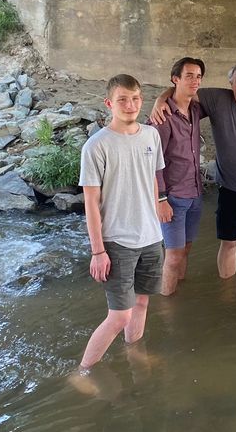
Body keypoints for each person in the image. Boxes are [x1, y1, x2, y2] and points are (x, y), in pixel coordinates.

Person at [150, 63, 236, 279]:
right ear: (231, 84)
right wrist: (160, 100)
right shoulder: (217, 100)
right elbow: (183, 91)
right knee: (229, 243)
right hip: (232, 189)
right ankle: (227, 291)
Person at [75, 74, 165, 378]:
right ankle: (83, 372)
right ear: (109, 104)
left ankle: (134, 354)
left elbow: (152, 180)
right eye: (123, 99)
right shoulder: (96, 146)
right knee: (119, 315)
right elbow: (90, 202)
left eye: (136, 98)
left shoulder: (151, 136)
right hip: (117, 241)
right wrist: (98, 251)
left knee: (141, 302)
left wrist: (155, 218)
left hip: (151, 237)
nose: (130, 105)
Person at [153, 57, 206, 296]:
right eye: (189, 76)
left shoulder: (196, 108)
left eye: (198, 76)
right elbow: (151, 163)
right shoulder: (161, 118)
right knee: (172, 258)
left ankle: (178, 297)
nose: (195, 81)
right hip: (173, 198)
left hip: (195, 194)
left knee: (185, 251)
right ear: (176, 79)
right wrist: (161, 199)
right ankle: (166, 307)